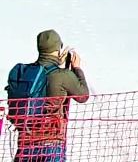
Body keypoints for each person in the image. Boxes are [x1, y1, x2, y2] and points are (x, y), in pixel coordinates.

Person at [5, 30, 90, 162]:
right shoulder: (62, 75)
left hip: (26, 143)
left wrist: (56, 63)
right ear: (58, 49)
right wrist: (76, 68)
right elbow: (83, 96)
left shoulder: (23, 73)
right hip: (51, 144)